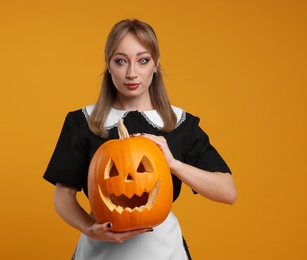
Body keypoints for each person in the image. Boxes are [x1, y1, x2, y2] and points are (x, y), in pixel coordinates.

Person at [43, 19, 237, 260]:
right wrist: (90, 229)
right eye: (121, 61)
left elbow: (228, 192)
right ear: (108, 65)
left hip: (165, 251)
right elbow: (63, 195)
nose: (132, 73)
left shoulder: (181, 124)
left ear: (156, 64)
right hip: (99, 251)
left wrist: (173, 164)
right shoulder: (82, 122)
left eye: (142, 60)